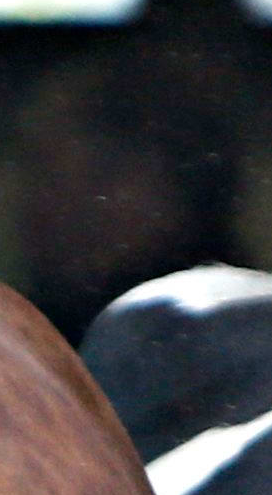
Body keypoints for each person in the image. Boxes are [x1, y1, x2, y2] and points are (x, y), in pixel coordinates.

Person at [13, 40, 250, 336]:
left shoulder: (255, 329)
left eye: (99, 176)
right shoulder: (25, 334)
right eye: (45, 178)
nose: (53, 209)